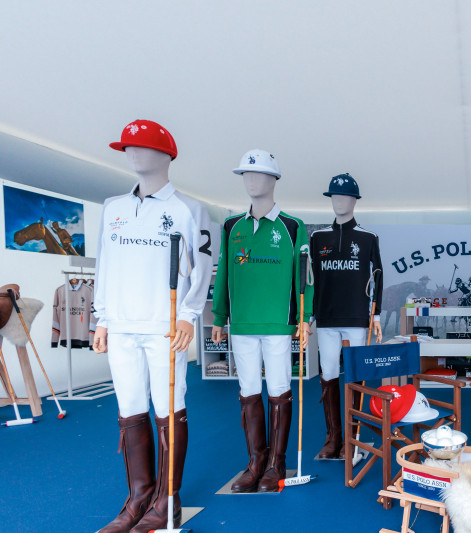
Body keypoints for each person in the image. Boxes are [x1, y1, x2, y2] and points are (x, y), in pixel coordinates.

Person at [94, 120, 213, 533]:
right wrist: (102, 318)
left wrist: (189, 314)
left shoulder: (189, 209)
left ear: (166, 155)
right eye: (127, 147)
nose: (132, 154)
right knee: (130, 411)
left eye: (141, 147)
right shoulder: (113, 208)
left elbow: (202, 268)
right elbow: (104, 265)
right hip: (121, 326)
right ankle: (138, 499)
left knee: (168, 409)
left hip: (165, 327)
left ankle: (167, 502)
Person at [211, 149, 313, 492]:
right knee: (248, 390)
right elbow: (224, 274)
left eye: (258, 174)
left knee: (279, 388)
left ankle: (275, 463)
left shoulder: (292, 226)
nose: (251, 181)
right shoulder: (231, 226)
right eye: (246, 175)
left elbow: (305, 277)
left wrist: (304, 318)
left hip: (278, 323)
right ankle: (255, 461)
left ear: (273, 179)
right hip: (241, 323)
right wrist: (219, 316)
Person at [309, 173, 383, 459]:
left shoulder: (368, 237)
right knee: (328, 375)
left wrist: (376, 315)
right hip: (326, 318)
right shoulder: (317, 238)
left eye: (345, 197)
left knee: (355, 376)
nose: (339, 201)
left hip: (356, 318)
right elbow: (310, 279)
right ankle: (333, 438)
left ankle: (353, 438)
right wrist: (308, 315)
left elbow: (378, 276)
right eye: (335, 196)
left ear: (354, 201)